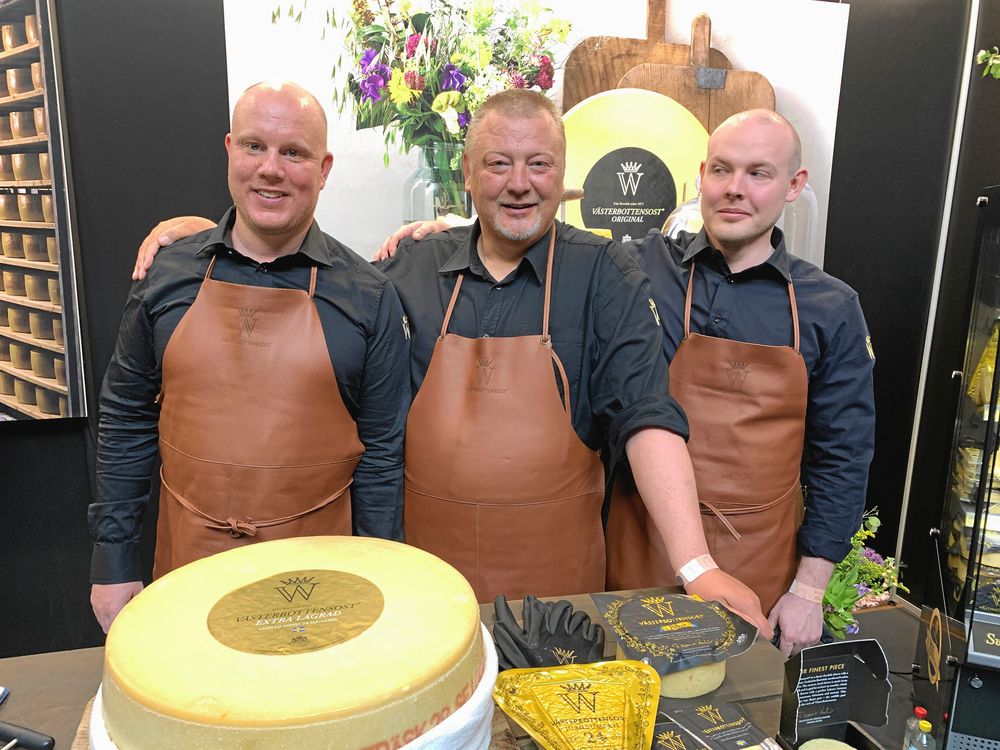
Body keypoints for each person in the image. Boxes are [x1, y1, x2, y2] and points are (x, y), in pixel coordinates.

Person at [130, 90, 772, 637]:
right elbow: (311, 281)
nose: (519, 182)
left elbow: (646, 416)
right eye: (498, 163)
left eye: (539, 164)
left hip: (558, 594)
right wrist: (212, 238)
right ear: (467, 173)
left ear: (563, 174)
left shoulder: (604, 272)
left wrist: (695, 565)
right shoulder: (407, 270)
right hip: (419, 592)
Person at [89, 81, 410, 633]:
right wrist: (113, 561)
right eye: (255, 146)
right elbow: (125, 420)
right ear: (230, 149)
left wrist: (381, 572)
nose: (271, 169)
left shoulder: (369, 296)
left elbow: (382, 456)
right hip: (187, 571)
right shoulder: (166, 275)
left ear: (324, 167)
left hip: (321, 586)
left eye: (294, 152)